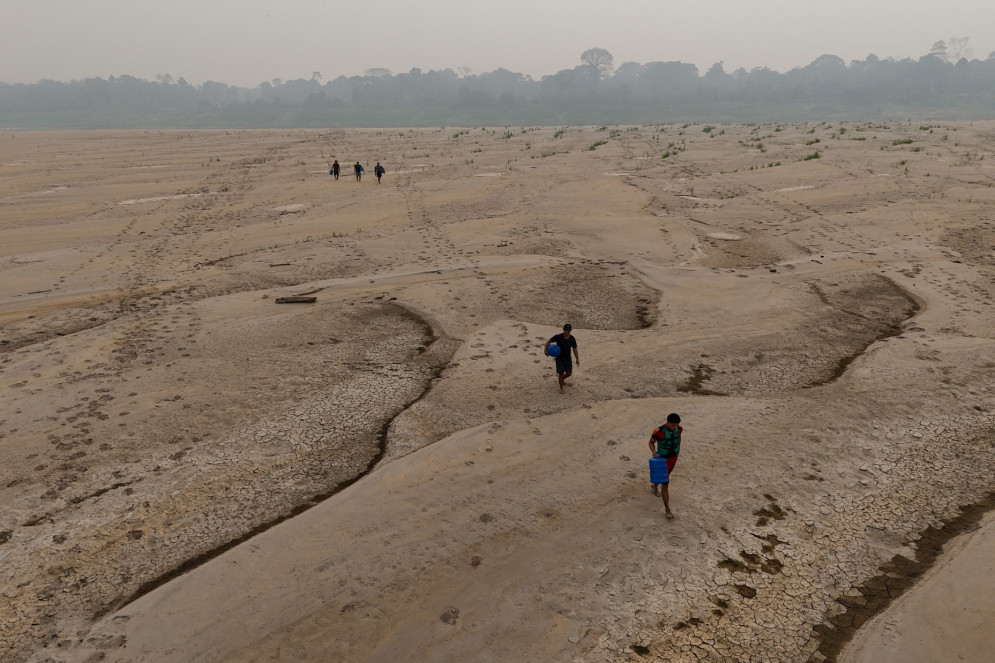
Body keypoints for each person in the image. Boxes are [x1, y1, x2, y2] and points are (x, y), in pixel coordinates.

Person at [648, 413, 682, 519]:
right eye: (673, 425)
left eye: (676, 425)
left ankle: (654, 487)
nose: (675, 427)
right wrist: (653, 451)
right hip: (663, 460)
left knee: (664, 476)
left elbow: (679, 438)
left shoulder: (679, 429)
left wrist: (678, 450)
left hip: (674, 458)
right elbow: (651, 443)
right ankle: (668, 510)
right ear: (668, 422)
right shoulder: (659, 432)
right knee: (665, 482)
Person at [543, 324, 579, 394]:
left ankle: (562, 380)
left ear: (570, 330)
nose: (567, 331)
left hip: (568, 358)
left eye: (569, 330)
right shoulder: (558, 337)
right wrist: (545, 350)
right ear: (563, 330)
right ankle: (561, 387)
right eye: (566, 330)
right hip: (559, 358)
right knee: (561, 373)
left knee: (569, 373)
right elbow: (549, 341)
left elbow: (575, 349)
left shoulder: (572, 339)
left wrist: (577, 358)